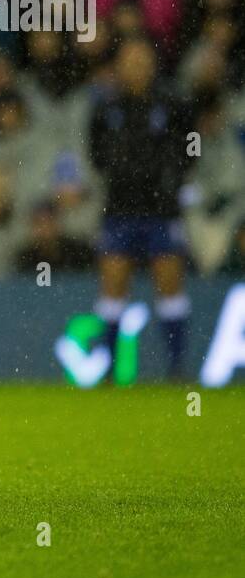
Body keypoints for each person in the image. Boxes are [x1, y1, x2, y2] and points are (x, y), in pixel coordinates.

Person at [88, 38, 196, 378]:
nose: (137, 67)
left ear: (153, 65)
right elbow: (96, 155)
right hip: (120, 209)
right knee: (113, 287)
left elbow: (190, 151)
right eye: (130, 60)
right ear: (118, 67)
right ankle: (110, 368)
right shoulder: (106, 108)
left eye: (143, 60)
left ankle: (177, 367)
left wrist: (168, 180)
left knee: (170, 286)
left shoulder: (174, 104)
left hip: (162, 210)